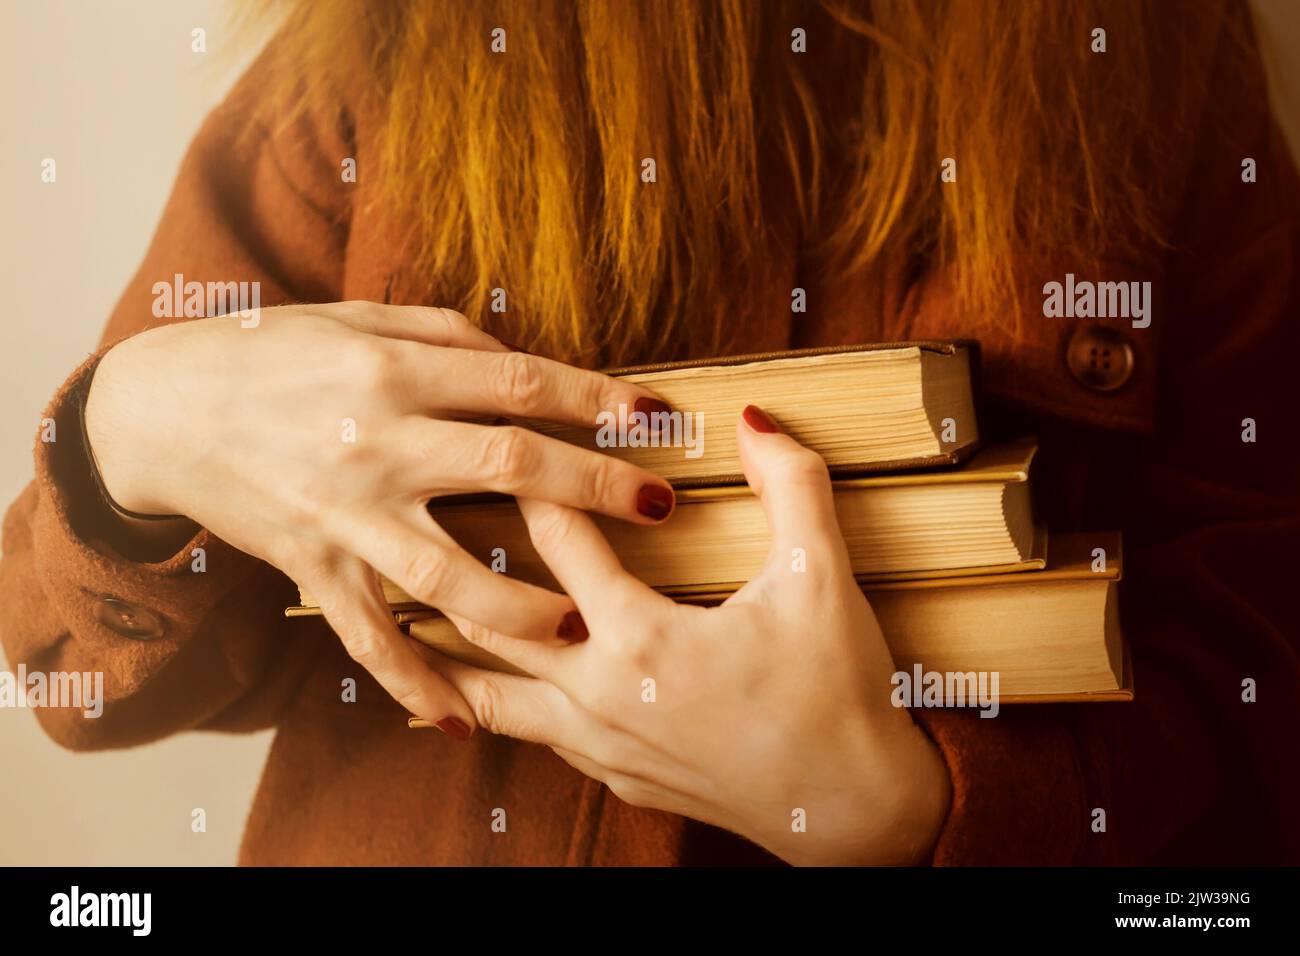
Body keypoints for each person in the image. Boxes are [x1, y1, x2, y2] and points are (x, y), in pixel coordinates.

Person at [3, 0, 1298, 865]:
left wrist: (910, 810)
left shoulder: (1146, 52)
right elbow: (61, 672)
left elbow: (1265, 662)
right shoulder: (378, 55)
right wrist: (132, 434)